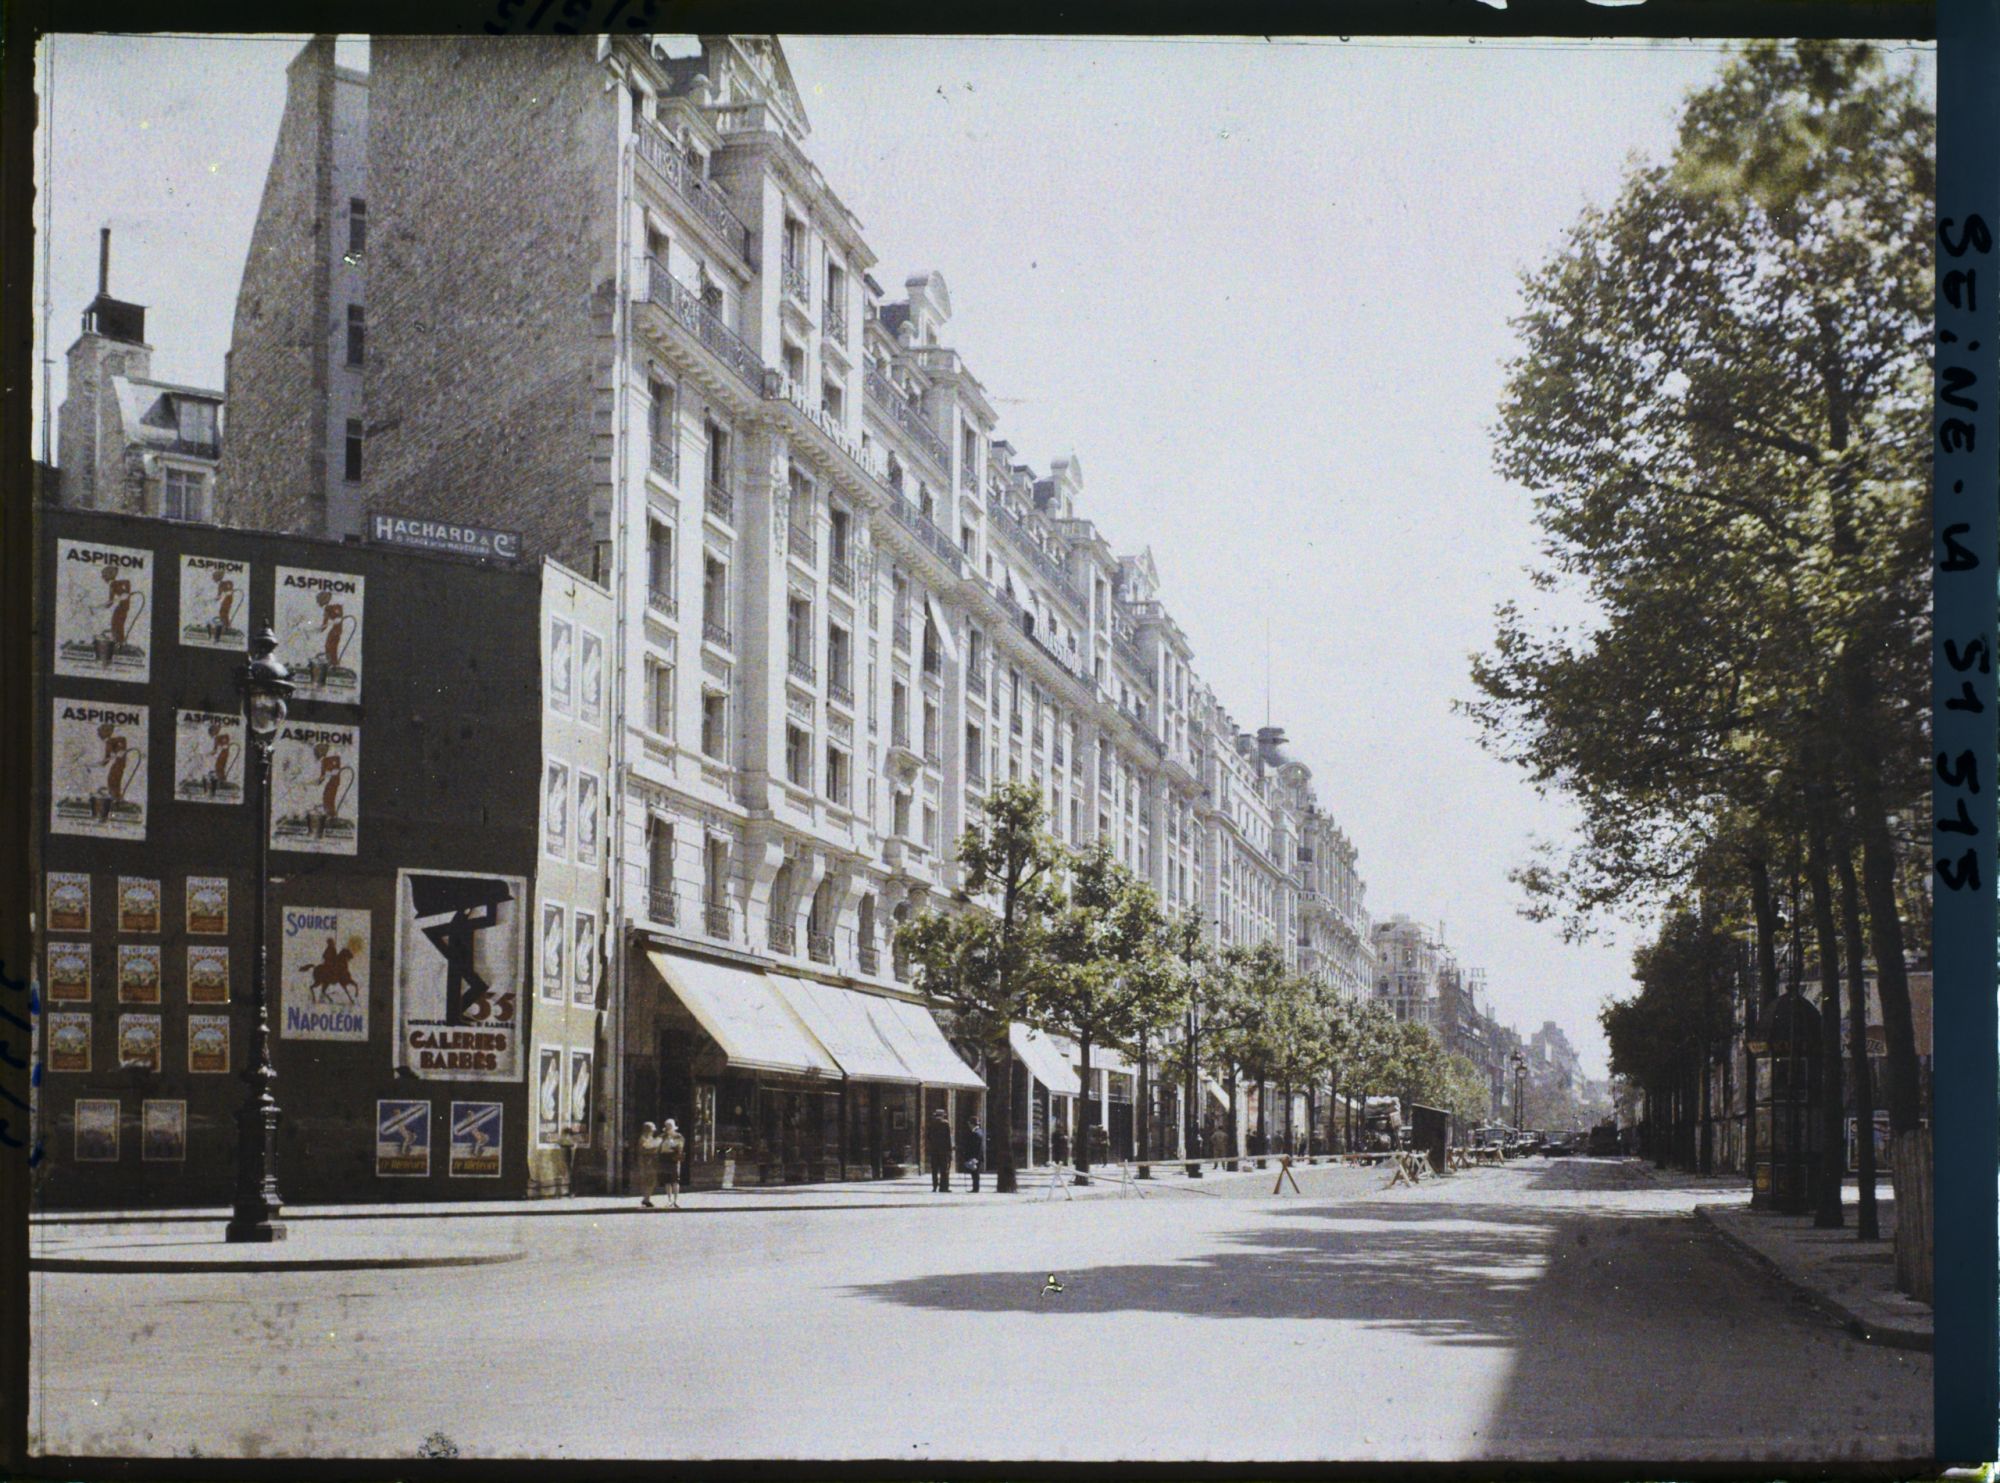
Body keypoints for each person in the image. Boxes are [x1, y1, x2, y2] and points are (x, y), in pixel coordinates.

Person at [658, 1118, 687, 1209]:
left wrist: (673, 1147)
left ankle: (676, 1200)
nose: (668, 1128)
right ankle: (669, 1200)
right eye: (667, 1126)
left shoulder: (678, 1136)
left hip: (674, 1159)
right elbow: (658, 1147)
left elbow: (681, 1147)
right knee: (667, 1180)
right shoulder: (662, 1136)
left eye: (670, 1126)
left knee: (675, 1180)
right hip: (665, 1158)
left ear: (673, 1127)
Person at [636, 1121, 664, 1208]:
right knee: (649, 1180)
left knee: (652, 1180)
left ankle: (647, 1198)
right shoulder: (643, 1138)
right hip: (646, 1161)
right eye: (652, 1129)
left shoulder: (649, 1137)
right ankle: (646, 1199)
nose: (653, 1131)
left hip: (651, 1161)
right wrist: (657, 1143)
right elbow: (646, 1148)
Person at [926, 1108, 953, 1193]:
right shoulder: (945, 1123)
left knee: (934, 1169)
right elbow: (948, 1138)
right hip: (944, 1150)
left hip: (934, 1150)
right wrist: (950, 1150)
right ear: (943, 1115)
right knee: (944, 1169)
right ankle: (943, 1187)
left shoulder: (931, 1124)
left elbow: (928, 1136)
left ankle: (934, 1186)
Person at [964, 1119, 987, 1193]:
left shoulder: (976, 1133)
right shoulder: (979, 1131)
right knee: (975, 1173)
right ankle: (975, 1188)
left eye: (969, 1124)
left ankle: (975, 1188)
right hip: (977, 1156)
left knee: (975, 1173)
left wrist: (974, 1158)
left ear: (972, 1124)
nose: (969, 1126)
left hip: (975, 1156)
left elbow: (975, 1147)